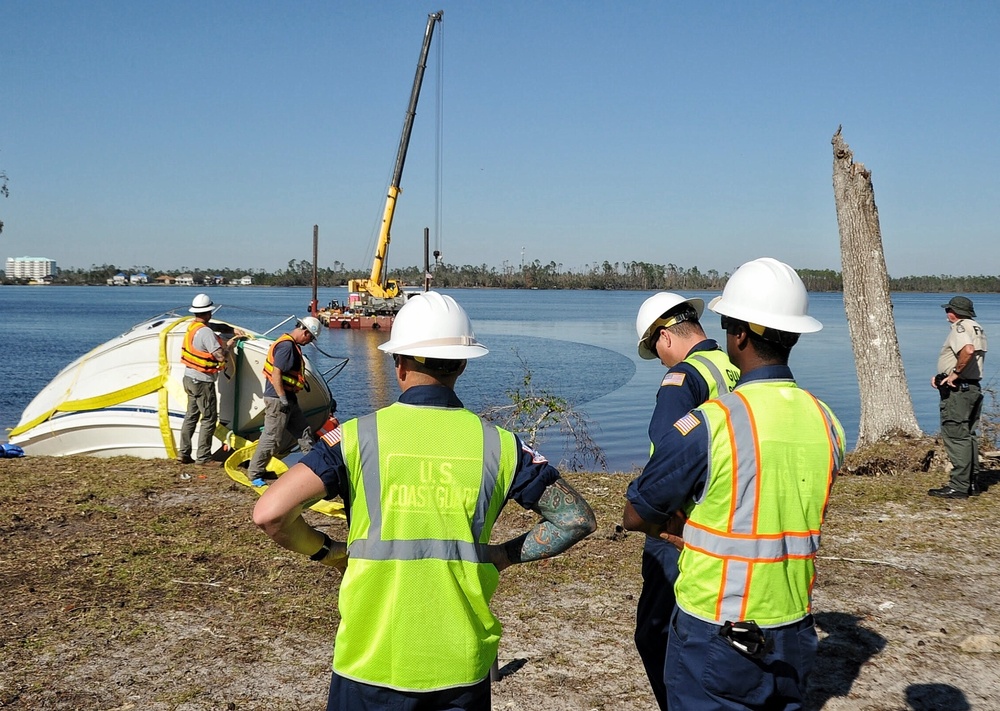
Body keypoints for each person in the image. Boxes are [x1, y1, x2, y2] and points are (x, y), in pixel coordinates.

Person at [252, 291, 597, 711]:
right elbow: (575, 519)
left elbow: (270, 513)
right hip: (460, 665)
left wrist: (329, 552)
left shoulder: (357, 437)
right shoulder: (502, 446)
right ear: (463, 363)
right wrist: (502, 555)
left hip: (370, 661)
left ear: (398, 363)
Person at [623, 257, 846, 711]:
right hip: (794, 622)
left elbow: (646, 499)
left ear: (739, 333)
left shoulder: (706, 413)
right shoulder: (828, 422)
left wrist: (681, 527)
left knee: (656, 638)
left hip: (717, 622)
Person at [631, 292, 740, 709]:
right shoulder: (734, 366)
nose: (659, 360)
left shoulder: (683, 376)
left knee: (655, 633)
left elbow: (668, 452)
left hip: (682, 523)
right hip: (728, 517)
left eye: (654, 349)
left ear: (664, 337)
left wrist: (658, 519)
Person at [246, 316, 322, 487]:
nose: (309, 341)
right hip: (278, 399)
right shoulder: (287, 347)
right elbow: (277, 373)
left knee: (304, 432)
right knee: (271, 437)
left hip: (288, 399)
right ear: (305, 332)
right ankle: (255, 473)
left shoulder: (289, 344)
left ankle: (315, 469)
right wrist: (282, 399)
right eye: (310, 337)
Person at [928, 296, 988, 499]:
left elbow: (967, 350)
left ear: (954, 311)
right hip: (972, 388)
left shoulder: (960, 328)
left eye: (948, 310)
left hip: (959, 391)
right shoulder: (976, 327)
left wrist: (954, 374)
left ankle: (959, 486)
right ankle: (972, 481)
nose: (946, 314)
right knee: (968, 435)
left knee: (956, 435)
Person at [178, 294, 241, 466]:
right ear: (209, 312)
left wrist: (231, 330)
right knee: (208, 418)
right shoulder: (206, 333)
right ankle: (203, 458)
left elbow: (214, 326)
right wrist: (229, 345)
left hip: (189, 378)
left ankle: (183, 453)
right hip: (202, 381)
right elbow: (220, 356)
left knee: (191, 416)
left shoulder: (193, 327)